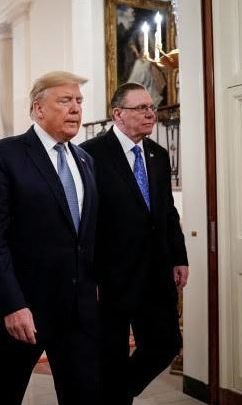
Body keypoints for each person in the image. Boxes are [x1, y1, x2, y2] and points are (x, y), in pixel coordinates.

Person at [0, 71, 99, 404]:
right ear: (38, 109)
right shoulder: (4, 155)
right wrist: (12, 305)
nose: (76, 109)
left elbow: (85, 236)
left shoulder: (85, 160)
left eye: (79, 101)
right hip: (24, 309)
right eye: (65, 100)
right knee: (1, 397)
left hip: (76, 310)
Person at [80, 82, 188, 405]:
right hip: (111, 277)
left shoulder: (158, 155)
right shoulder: (90, 154)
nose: (150, 113)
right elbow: (84, 221)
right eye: (141, 108)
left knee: (166, 343)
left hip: (155, 272)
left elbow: (167, 212)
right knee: (110, 355)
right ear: (118, 114)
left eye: (151, 107)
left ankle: (115, 393)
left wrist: (179, 256)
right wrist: (88, 276)